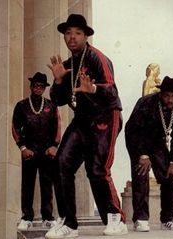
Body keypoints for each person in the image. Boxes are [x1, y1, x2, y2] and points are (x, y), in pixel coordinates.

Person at [45, 14, 127, 238]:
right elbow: (59, 100)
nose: (72, 37)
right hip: (82, 119)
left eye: (77, 33)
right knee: (61, 164)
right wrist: (60, 80)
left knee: (97, 169)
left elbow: (111, 91)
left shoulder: (98, 58)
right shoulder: (67, 65)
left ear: (85, 36)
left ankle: (116, 218)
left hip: (106, 117)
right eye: (68, 33)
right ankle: (69, 224)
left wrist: (93, 90)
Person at [125, 76, 173, 231]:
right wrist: (142, 155)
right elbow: (132, 130)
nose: (170, 99)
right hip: (138, 141)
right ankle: (140, 218)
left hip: (158, 143)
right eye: (166, 95)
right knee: (141, 175)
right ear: (161, 94)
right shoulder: (145, 103)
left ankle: (167, 218)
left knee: (170, 175)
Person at [12, 72, 62, 230]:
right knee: (27, 184)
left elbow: (58, 127)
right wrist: (23, 147)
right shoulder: (21, 106)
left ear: (44, 88)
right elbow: (15, 127)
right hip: (30, 150)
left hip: (47, 150)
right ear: (31, 86)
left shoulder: (51, 106)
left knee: (47, 184)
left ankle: (47, 217)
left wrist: (54, 146)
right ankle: (27, 218)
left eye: (41, 86)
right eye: (35, 85)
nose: (38, 88)